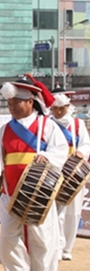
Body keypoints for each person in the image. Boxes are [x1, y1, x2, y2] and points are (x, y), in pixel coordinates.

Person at [0, 78, 68, 271]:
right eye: (10, 103)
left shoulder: (47, 125)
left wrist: (47, 156)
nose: (12, 107)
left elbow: (61, 150)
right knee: (7, 236)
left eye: (17, 102)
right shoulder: (4, 130)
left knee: (42, 236)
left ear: (31, 102)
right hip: (10, 193)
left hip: (38, 193)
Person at [50, 87, 90, 261]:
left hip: (74, 174)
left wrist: (82, 152)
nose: (59, 112)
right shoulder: (48, 124)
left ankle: (67, 247)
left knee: (73, 213)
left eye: (62, 108)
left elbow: (86, 144)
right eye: (55, 109)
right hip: (54, 172)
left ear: (68, 107)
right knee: (55, 212)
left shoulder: (77, 124)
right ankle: (57, 246)